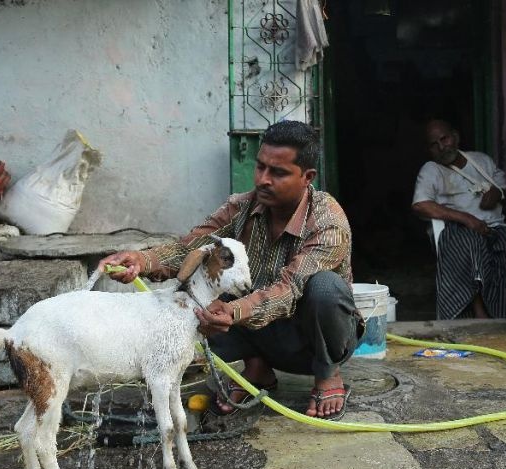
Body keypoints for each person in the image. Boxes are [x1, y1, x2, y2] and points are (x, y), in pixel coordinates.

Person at [98, 121, 362, 421]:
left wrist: (234, 312)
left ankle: (328, 375)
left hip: (311, 341)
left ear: (307, 177)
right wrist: (142, 261)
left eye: (278, 173)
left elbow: (290, 288)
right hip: (258, 333)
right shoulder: (242, 207)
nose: (263, 180)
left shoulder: (328, 221)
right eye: (260, 167)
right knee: (195, 294)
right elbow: (190, 248)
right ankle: (257, 368)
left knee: (325, 288)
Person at [412, 119, 506, 320]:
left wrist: (497, 194)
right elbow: (420, 205)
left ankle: (504, 313)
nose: (442, 147)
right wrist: (466, 218)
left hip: (495, 227)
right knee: (471, 245)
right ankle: (479, 311)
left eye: (445, 139)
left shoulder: (481, 160)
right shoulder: (432, 170)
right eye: (434, 144)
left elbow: (505, 191)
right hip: (458, 228)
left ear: (456, 137)